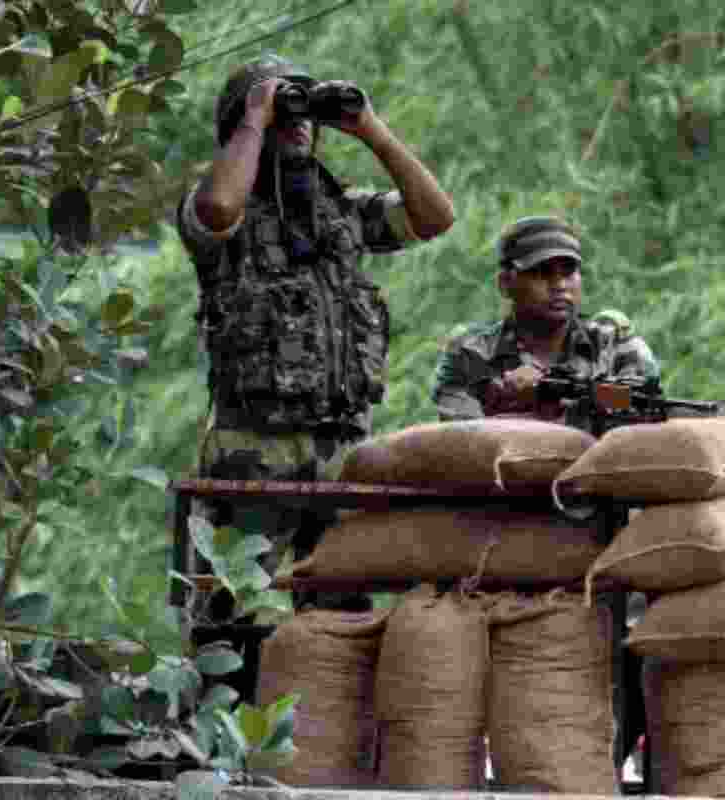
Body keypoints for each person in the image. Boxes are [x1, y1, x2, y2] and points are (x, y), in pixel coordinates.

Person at [175, 54, 454, 614]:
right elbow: (217, 208)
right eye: (286, 110)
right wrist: (257, 114)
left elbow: (434, 216)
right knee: (224, 620)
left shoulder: (341, 210)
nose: (298, 121)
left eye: (303, 111)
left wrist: (367, 127)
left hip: (342, 451)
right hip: (252, 454)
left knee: (341, 627)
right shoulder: (218, 206)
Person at [431, 215, 659, 433]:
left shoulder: (613, 343)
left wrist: (554, 392)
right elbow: (464, 438)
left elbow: (647, 406)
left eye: (568, 272)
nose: (559, 285)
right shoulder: (471, 353)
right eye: (542, 273)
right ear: (505, 283)